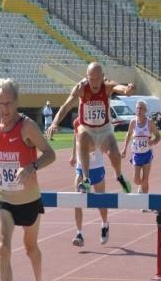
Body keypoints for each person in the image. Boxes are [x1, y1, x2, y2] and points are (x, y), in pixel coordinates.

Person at [0, 78, 55, 281]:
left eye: (9, 103)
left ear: (17, 101)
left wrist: (31, 166)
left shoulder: (27, 127)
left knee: (30, 248)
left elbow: (50, 154)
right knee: (3, 247)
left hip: (29, 199)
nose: (5, 109)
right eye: (1, 104)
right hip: (4, 198)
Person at [46, 62, 135, 194]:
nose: (94, 83)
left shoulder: (106, 85)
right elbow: (66, 106)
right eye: (91, 79)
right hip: (88, 129)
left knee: (114, 153)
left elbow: (120, 88)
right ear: (87, 77)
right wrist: (54, 122)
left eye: (97, 79)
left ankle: (120, 176)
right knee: (81, 134)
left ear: (103, 77)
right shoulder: (81, 88)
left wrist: (127, 90)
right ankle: (86, 179)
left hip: (104, 130)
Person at [70, 117, 108, 246]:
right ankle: (79, 234)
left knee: (100, 202)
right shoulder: (77, 122)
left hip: (96, 167)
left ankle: (104, 224)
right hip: (81, 169)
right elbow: (76, 138)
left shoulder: (98, 121)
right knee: (77, 201)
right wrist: (73, 154)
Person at [121, 100, 161, 208]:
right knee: (136, 180)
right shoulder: (133, 122)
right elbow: (128, 135)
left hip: (147, 153)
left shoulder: (150, 123)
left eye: (141, 108)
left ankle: (145, 202)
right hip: (136, 154)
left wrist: (153, 141)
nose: (138, 110)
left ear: (145, 110)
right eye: (137, 108)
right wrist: (124, 149)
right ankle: (140, 188)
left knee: (145, 179)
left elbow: (158, 136)